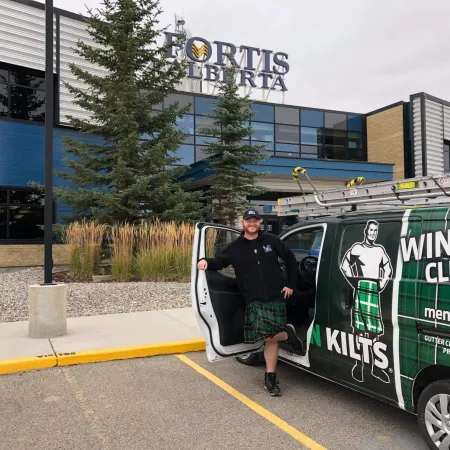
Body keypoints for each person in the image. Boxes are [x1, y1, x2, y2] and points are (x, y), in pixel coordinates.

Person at [197, 209, 304, 397]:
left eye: (255, 220)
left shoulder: (272, 240)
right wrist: (204, 261)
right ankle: (287, 335)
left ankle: (270, 377)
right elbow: (220, 262)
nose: (252, 223)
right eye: (248, 220)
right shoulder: (235, 247)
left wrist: (290, 285)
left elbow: (290, 259)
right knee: (261, 335)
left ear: (259, 222)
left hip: (275, 296)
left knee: (269, 338)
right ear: (243, 222)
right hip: (253, 299)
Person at [340, 219, 393, 383]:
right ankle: (359, 364)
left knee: (374, 330)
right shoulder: (357, 248)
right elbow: (344, 265)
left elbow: (388, 268)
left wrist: (382, 284)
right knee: (359, 328)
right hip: (361, 287)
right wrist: (354, 282)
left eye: (375, 231)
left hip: (374, 290)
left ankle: (376, 368)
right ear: (366, 231)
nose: (372, 233)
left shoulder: (379, 249)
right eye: (370, 230)